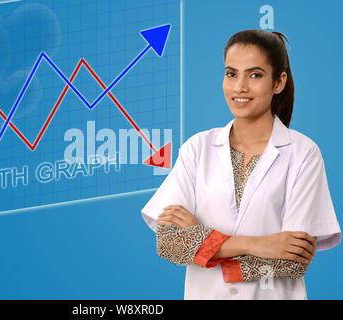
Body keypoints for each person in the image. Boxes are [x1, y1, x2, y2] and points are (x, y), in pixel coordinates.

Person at [141, 29, 341, 300]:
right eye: (231, 73)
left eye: (255, 75)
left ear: (278, 82)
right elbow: (170, 244)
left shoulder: (303, 153)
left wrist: (201, 243)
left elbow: (292, 260)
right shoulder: (197, 148)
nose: (239, 87)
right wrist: (260, 244)